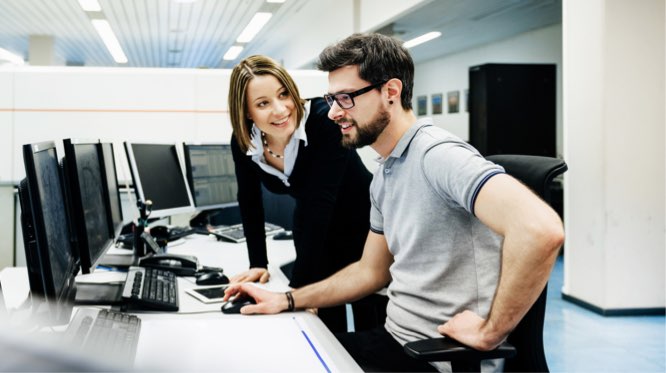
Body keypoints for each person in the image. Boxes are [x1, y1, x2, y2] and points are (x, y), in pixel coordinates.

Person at [223, 35, 564, 372]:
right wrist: (287, 299)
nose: (332, 113)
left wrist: (491, 332)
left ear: (390, 92)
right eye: (332, 98)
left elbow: (540, 229)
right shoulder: (388, 170)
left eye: (346, 98)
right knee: (274, 353)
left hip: (436, 355)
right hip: (393, 342)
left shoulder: (438, 155)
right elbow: (369, 271)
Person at [226, 55, 387, 334]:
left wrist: (295, 292)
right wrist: (257, 262)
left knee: (367, 312)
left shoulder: (324, 121)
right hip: (311, 225)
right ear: (247, 112)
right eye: (263, 103)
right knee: (321, 318)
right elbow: (249, 200)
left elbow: (320, 202)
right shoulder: (244, 140)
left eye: (283, 94)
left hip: (362, 220)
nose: (280, 110)